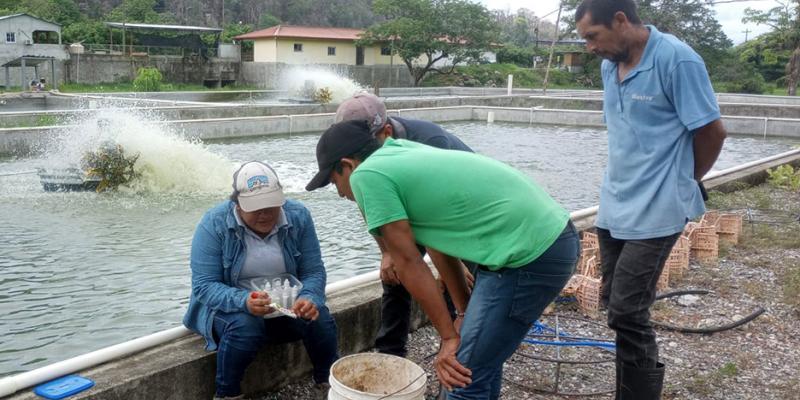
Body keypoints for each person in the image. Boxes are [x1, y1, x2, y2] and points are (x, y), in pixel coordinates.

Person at [306, 120, 579, 399]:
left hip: (528, 254)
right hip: (546, 237)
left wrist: (448, 338)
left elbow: (409, 263)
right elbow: (439, 244)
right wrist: (461, 314)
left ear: (347, 165)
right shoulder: (398, 151)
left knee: (460, 375)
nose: (340, 193)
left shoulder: (368, 175)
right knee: (478, 363)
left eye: (334, 181)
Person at [575, 1, 727, 398]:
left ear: (621, 21)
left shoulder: (677, 60)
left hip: (659, 206)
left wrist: (686, 180)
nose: (590, 47)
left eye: (593, 36)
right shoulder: (610, 65)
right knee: (614, 304)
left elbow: (712, 132)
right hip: (615, 202)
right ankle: (629, 388)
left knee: (627, 310)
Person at [330, 92, 476, 359]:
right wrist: (387, 252)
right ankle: (390, 353)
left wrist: (453, 264)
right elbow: (372, 206)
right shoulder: (364, 159)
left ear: (386, 132)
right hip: (413, 209)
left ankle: (464, 349)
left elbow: (441, 214)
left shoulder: (432, 143)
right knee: (396, 273)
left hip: (463, 220)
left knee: (463, 284)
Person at [183, 161, 338, 400]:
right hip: (230, 310)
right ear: (236, 203)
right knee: (246, 325)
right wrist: (244, 301)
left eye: (271, 206)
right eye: (255, 208)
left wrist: (309, 297)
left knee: (320, 318)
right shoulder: (213, 223)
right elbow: (204, 286)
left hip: (281, 307)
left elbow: (314, 271)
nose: (265, 214)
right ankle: (227, 394)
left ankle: (329, 386)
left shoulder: (299, 216)